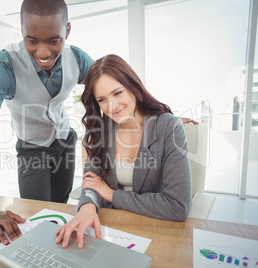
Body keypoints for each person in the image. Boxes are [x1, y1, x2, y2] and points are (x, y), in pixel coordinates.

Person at [0, 0, 94, 245]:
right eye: (32, 40)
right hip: (31, 148)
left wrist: (159, 113)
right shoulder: (1, 66)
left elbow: (117, 87)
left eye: (54, 40)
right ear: (22, 29)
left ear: (67, 31)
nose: (44, 52)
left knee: (58, 209)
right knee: (37, 217)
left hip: (65, 140)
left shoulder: (78, 59)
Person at [55, 54, 192, 249]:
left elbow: (177, 206)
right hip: (112, 226)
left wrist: (112, 195)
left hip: (155, 228)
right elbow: (91, 180)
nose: (112, 106)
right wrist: (87, 206)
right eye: (102, 99)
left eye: (117, 93)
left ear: (133, 87)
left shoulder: (168, 127)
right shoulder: (101, 128)